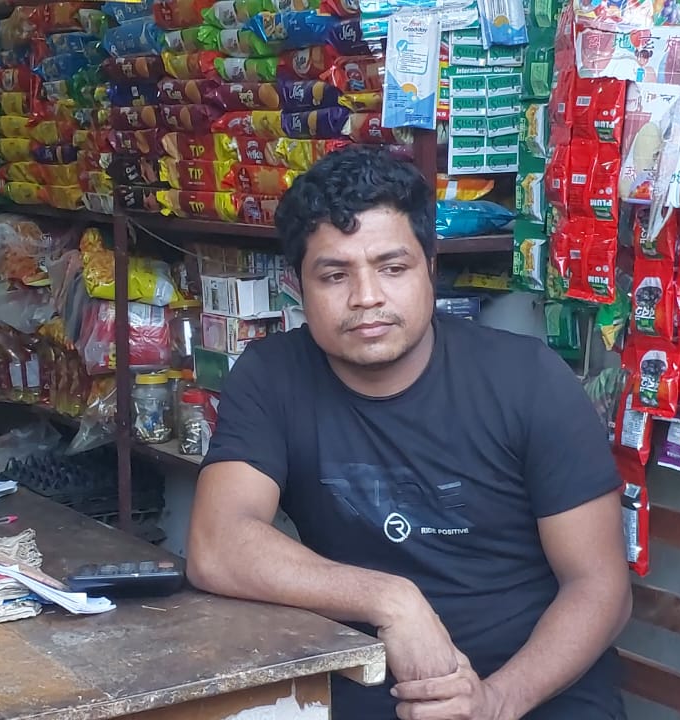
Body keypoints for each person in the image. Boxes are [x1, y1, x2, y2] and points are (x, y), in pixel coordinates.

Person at [186, 146, 632, 720]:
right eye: (335, 275)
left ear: (430, 268)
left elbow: (601, 588)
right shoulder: (273, 376)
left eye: (392, 268)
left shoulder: (527, 379)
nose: (366, 297)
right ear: (298, 285)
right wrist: (391, 599)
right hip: (368, 688)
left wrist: (494, 701)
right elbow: (216, 544)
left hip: (534, 693)